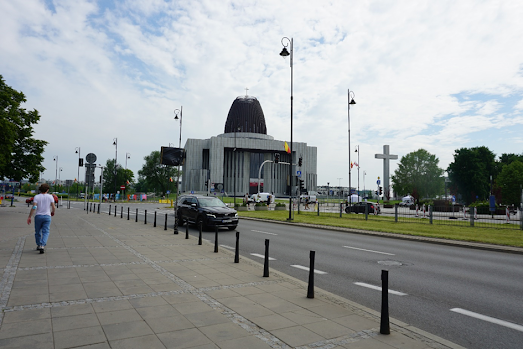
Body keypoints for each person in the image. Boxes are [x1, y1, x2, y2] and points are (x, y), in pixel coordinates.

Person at [27, 183, 56, 254]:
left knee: (37, 232)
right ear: (47, 190)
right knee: (46, 231)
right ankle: (43, 245)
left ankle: (39, 244)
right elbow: (53, 206)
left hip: (38, 216)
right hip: (47, 216)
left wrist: (30, 216)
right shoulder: (50, 197)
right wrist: (53, 212)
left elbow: (34, 207)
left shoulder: (37, 197)